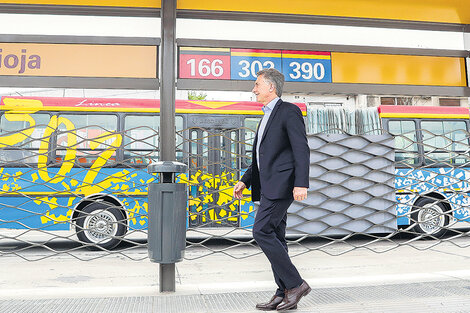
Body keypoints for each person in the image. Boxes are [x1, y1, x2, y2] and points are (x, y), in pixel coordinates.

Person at [233, 68, 311, 311]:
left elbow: (301, 149)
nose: (254, 89)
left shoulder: (289, 111)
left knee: (261, 231)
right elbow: (261, 156)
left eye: (257, 84)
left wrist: (301, 183)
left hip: (282, 186)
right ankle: (284, 291)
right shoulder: (266, 116)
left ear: (271, 87)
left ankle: (296, 284)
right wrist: (246, 180)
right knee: (276, 237)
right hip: (267, 186)